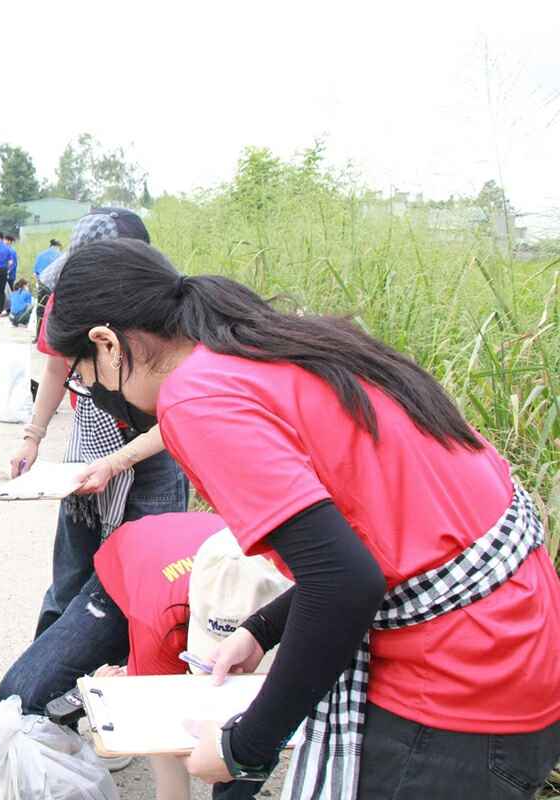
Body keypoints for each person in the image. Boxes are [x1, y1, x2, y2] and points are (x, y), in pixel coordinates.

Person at [47, 237, 560, 799]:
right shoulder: (273, 347)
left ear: (107, 343)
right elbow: (389, 548)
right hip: (523, 645)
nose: (91, 390)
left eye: (83, 374)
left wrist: (243, 747)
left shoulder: (197, 398)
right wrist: (263, 628)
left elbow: (345, 581)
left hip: (457, 685)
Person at [0, 210, 188, 759]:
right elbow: (55, 368)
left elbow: (181, 416)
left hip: (149, 463)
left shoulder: (173, 343)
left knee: (146, 596)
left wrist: (123, 460)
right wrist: (34, 436)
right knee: (71, 583)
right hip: (91, 454)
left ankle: (125, 705)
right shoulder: (70, 309)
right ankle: (43, 703)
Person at [94, 513, 290, 800]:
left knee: (259, 719)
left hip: (210, 542)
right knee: (38, 682)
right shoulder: (157, 621)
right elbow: (161, 731)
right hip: (138, 550)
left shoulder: (308, 590)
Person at [32, 239, 62, 341]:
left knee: (40, 311)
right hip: (56, 287)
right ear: (58, 247)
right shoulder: (60, 255)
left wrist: (39, 285)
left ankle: (38, 337)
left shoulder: (41, 255)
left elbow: (35, 273)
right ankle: (52, 339)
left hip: (43, 285)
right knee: (55, 312)